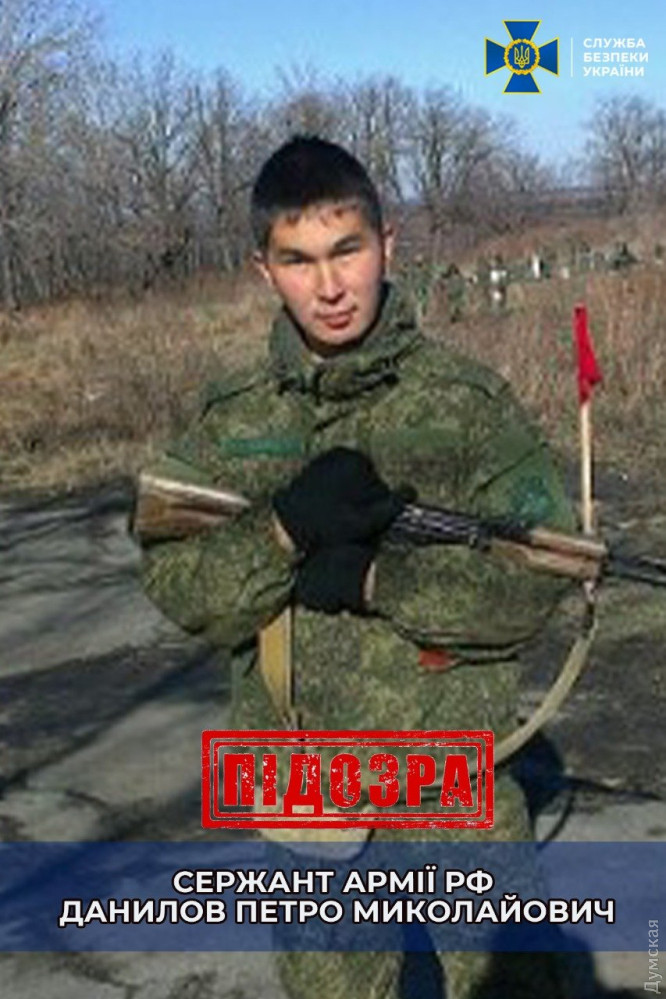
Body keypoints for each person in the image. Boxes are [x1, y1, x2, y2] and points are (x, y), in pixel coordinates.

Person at [137, 136, 575, 998]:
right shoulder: (230, 423)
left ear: (388, 245)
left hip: (450, 765)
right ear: (264, 270)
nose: (329, 285)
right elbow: (181, 588)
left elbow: (536, 579)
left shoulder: (467, 405)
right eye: (298, 260)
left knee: (511, 982)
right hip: (302, 775)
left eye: (348, 249)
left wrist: (378, 580)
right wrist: (281, 532)